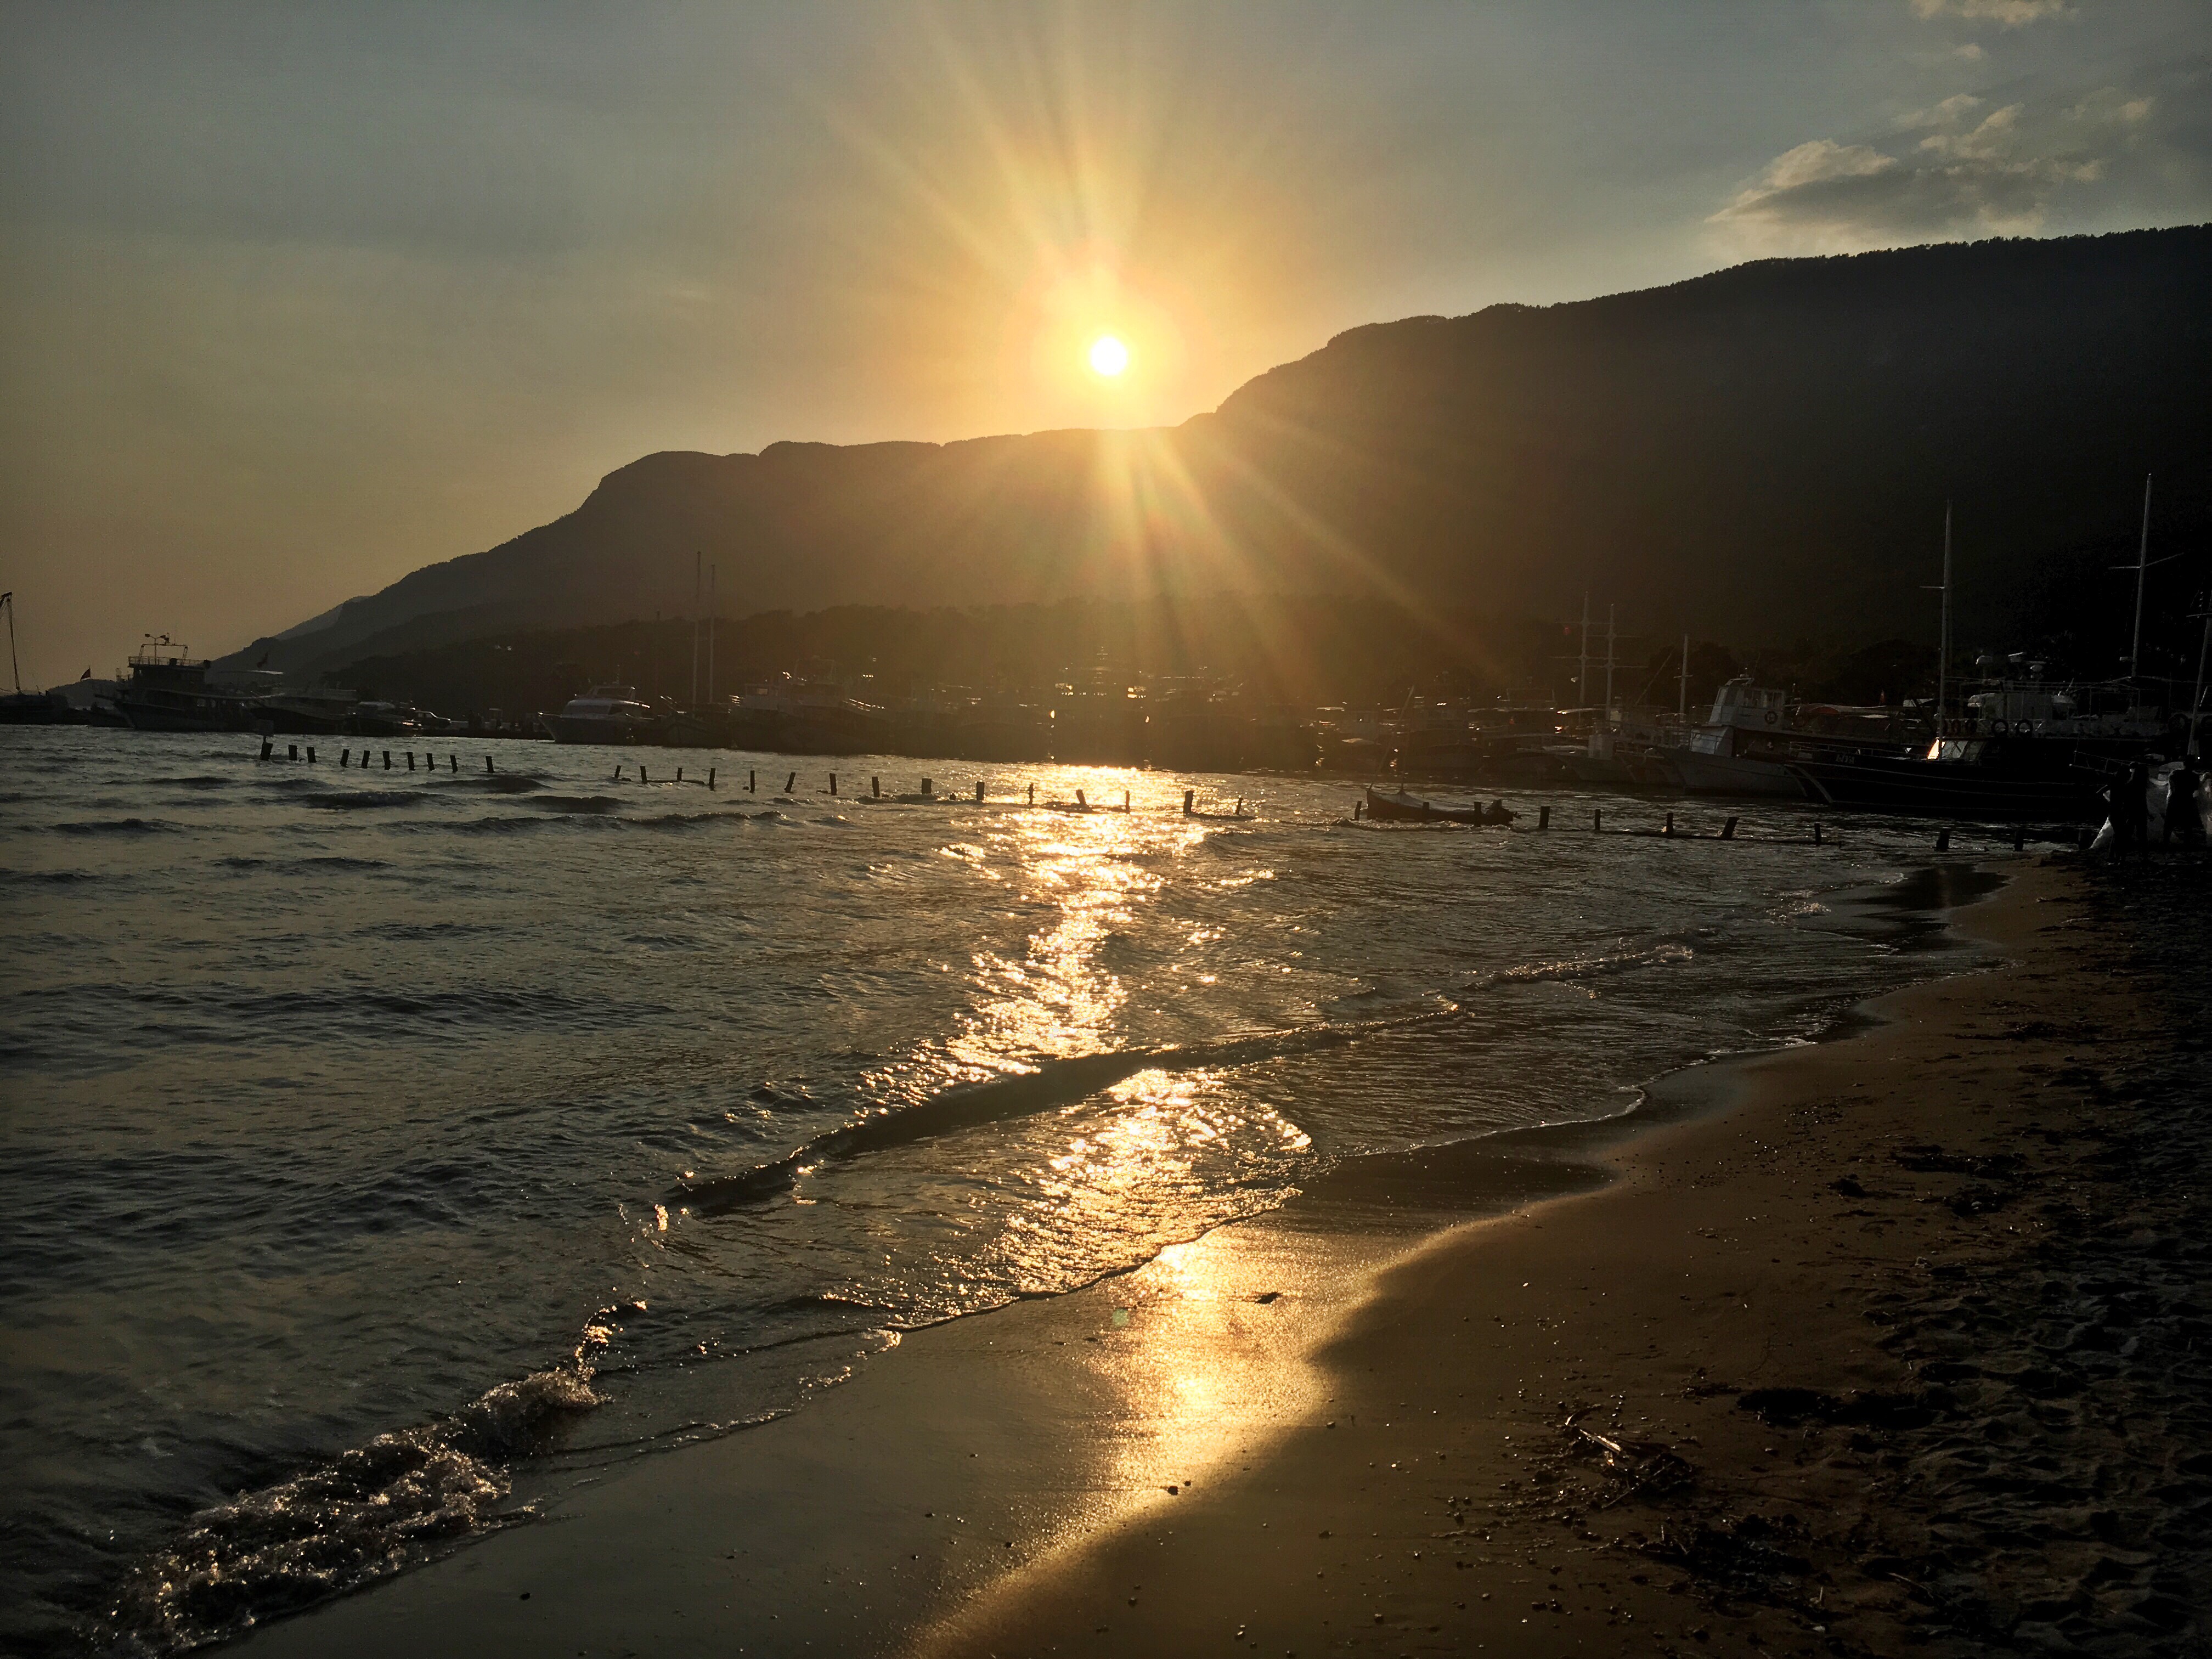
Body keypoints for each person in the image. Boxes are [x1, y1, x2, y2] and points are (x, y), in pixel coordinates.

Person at [2108, 763, 2150, 858]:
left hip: (2132, 813)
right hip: (2135, 813)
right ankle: (2142, 857)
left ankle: (2120, 857)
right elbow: (2140, 801)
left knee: (2127, 836)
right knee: (2139, 835)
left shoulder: (2130, 785)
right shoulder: (2137, 786)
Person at [2163, 757, 2204, 847]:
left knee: (2170, 822)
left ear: (2184, 764)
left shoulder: (2175, 773)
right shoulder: (2194, 777)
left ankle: (2166, 841)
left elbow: (2171, 787)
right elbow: (2195, 788)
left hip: (2174, 799)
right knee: (2188, 823)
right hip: (2187, 800)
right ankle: (2187, 842)